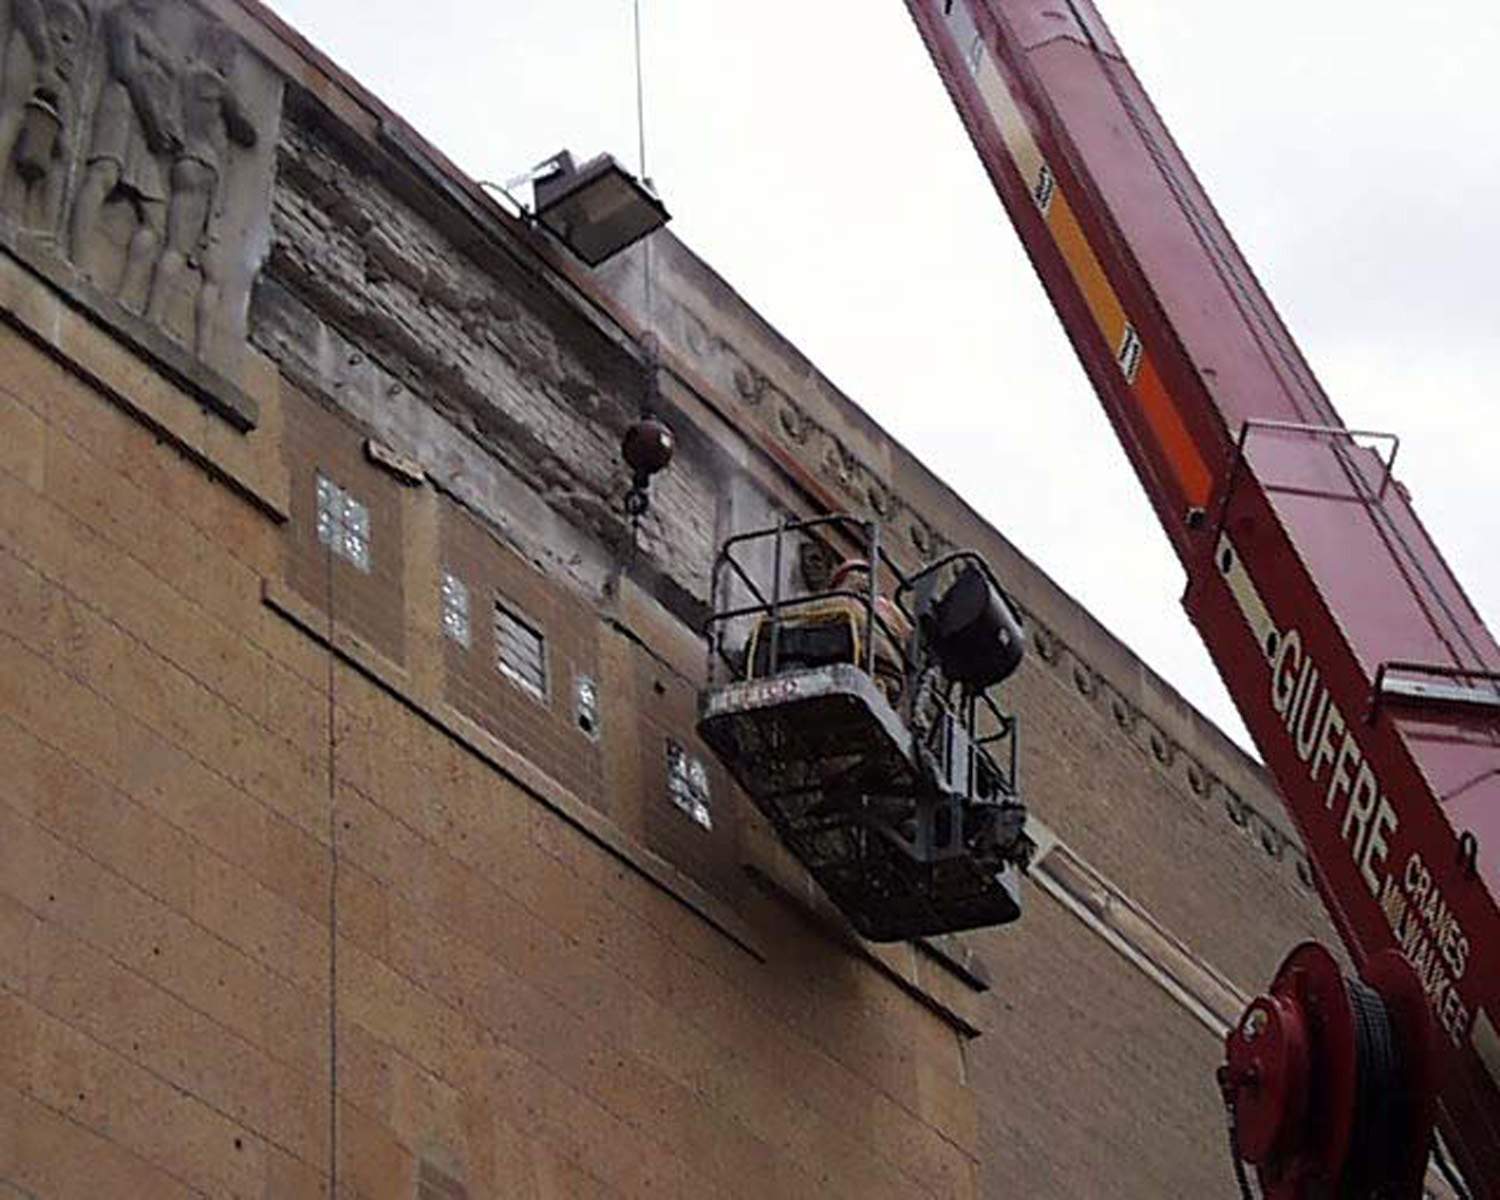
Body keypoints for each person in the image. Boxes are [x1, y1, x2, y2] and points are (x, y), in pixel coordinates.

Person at [146, 18, 256, 355]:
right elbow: (247, 130)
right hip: (201, 167)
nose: (231, 62)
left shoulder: (181, 74)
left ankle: (202, 350)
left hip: (188, 166)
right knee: (177, 249)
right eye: (229, 54)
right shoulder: (212, 82)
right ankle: (154, 318)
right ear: (218, 48)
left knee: (211, 272)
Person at [69, 0, 180, 302]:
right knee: (103, 174)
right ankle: (76, 262)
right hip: (123, 107)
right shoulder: (122, 17)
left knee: (157, 219)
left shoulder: (161, 41)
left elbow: (170, 89)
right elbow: (126, 69)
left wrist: (168, 127)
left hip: (148, 129)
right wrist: (154, 123)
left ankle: (126, 298)